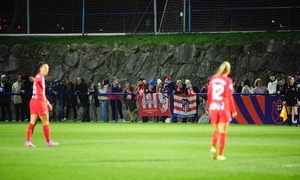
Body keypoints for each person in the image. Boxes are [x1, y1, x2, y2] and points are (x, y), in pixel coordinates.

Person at [207, 61, 237, 160]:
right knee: (222, 131)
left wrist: (209, 108)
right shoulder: (228, 81)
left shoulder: (213, 79)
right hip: (223, 107)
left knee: (215, 130)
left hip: (214, 106)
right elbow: (229, 96)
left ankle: (212, 147)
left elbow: (209, 95)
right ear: (228, 70)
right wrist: (234, 110)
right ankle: (220, 154)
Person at [25, 62, 58, 147]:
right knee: (46, 122)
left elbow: (40, 90)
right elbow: (37, 80)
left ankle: (27, 142)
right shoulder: (40, 77)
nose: (47, 70)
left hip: (33, 101)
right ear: (40, 69)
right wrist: (47, 103)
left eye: (48, 68)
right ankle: (48, 142)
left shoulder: (39, 77)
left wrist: (48, 102)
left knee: (32, 122)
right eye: (45, 68)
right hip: (39, 102)